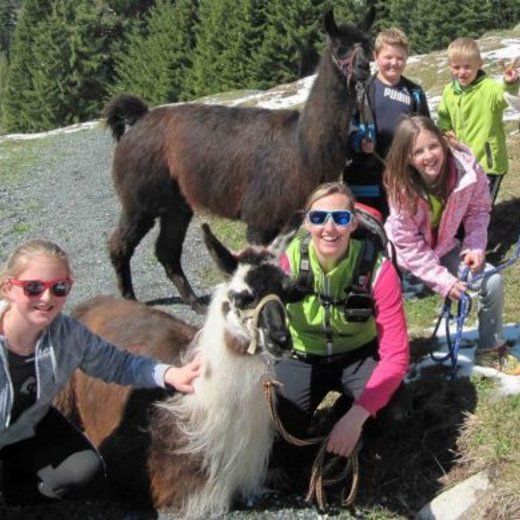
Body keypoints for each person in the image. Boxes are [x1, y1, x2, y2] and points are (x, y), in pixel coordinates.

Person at [0, 239, 202, 505]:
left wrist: (169, 374)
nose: (47, 298)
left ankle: (17, 489)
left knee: (85, 470)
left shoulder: (66, 335)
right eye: (33, 288)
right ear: (8, 287)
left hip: (25, 423)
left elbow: (118, 364)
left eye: (59, 288)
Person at [272, 182, 409, 482]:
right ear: (307, 221)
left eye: (341, 219)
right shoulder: (286, 263)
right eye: (319, 218)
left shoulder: (378, 270)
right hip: (302, 357)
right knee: (276, 423)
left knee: (393, 409)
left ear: (353, 222)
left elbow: (396, 357)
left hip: (357, 357)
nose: (329, 228)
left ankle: (344, 417)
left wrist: (357, 415)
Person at [384, 115, 520, 375]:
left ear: (443, 143)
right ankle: (389, 358)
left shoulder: (467, 170)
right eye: (418, 151)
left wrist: (474, 247)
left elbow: (479, 209)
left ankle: (490, 350)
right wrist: (442, 281)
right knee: (384, 300)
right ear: (407, 157)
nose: (428, 156)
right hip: (399, 254)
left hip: (444, 246)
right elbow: (407, 243)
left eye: (433, 146)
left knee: (490, 281)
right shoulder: (400, 185)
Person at [343, 27, 430, 218]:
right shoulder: (360, 90)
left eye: (400, 58)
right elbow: (345, 128)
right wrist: (359, 140)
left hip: (403, 179)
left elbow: (426, 129)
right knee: (369, 229)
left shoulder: (414, 92)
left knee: (403, 229)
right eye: (388, 57)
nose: (394, 63)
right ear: (375, 56)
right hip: (365, 181)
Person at [437, 37, 519, 205]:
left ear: (479, 64)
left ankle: (484, 230)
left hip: (488, 163)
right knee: (468, 205)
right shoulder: (449, 91)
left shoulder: (488, 88)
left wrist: (509, 83)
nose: (461, 72)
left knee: (483, 206)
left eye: (467, 67)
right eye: (456, 67)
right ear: (449, 67)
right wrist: (445, 130)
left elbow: (502, 96)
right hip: (463, 162)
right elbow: (444, 116)